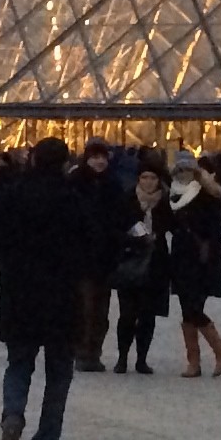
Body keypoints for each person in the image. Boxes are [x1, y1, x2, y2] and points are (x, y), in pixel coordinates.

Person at [0, 137, 88, 440]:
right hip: (62, 297)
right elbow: (89, 243)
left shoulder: (12, 195)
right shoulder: (72, 199)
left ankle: (13, 416)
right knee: (58, 375)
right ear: (64, 162)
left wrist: (12, 261)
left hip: (19, 294)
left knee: (18, 365)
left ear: (32, 159)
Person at [165, 156, 221, 377]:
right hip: (180, 258)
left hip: (202, 258)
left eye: (187, 168)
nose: (183, 173)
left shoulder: (206, 195)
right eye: (179, 169)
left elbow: (215, 229)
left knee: (194, 307)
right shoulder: (173, 194)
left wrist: (210, 249)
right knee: (187, 308)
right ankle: (193, 362)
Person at [68, 138, 128, 371]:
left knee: (101, 309)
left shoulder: (113, 184)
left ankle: (94, 351)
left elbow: (124, 216)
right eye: (95, 157)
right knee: (85, 306)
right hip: (81, 256)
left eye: (103, 157)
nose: (99, 161)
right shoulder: (75, 183)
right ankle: (82, 351)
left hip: (106, 256)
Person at [113, 163, 170, 371]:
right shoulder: (127, 200)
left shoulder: (165, 201)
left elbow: (174, 226)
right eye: (144, 177)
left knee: (148, 315)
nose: (148, 182)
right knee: (127, 314)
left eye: (153, 178)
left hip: (156, 263)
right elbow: (117, 227)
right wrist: (135, 240)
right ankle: (122, 358)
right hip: (130, 261)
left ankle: (141, 359)